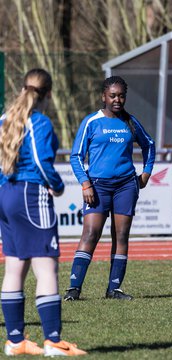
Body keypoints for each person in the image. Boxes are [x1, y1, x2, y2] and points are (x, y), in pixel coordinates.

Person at [0, 68, 87, 356]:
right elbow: (40, 160)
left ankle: (15, 341)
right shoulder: (39, 122)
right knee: (46, 267)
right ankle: (53, 341)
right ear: (48, 94)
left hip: (5, 194)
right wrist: (58, 186)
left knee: (15, 265)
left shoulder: (5, 119)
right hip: (30, 195)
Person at [64, 76, 155, 301]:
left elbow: (149, 146)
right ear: (103, 96)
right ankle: (74, 289)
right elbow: (75, 156)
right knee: (90, 233)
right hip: (97, 186)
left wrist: (145, 173)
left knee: (121, 235)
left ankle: (114, 289)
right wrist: (86, 183)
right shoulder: (91, 122)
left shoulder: (130, 122)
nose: (117, 100)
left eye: (121, 95)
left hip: (126, 185)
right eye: (112, 95)